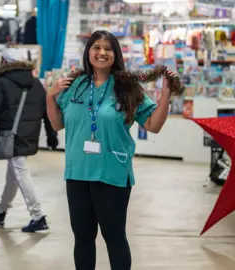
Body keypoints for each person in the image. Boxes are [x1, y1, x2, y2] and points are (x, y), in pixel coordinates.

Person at [46, 30, 177, 269]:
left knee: (114, 237)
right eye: (97, 47)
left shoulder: (127, 88)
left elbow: (153, 125)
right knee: (83, 237)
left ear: (116, 55)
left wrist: (166, 94)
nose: (102, 53)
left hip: (112, 174)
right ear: (89, 52)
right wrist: (50, 96)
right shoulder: (76, 85)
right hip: (77, 172)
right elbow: (57, 124)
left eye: (108, 49)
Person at [0, 48, 59, 232]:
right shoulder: (36, 83)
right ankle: (1, 211)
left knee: (20, 172)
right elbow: (47, 111)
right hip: (29, 134)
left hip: (10, 135)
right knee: (13, 174)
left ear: (4, 62)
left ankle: (38, 216)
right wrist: (52, 136)